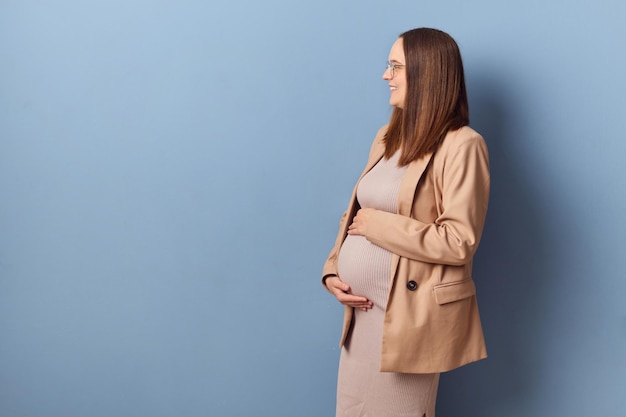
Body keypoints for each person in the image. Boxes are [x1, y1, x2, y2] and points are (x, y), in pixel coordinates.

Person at [321, 28, 490, 417]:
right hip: (360, 321)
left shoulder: (463, 145)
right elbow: (355, 214)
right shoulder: (386, 138)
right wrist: (333, 272)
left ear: (427, 74)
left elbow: (459, 239)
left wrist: (379, 226)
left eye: (395, 66)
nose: (386, 75)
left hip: (408, 322)